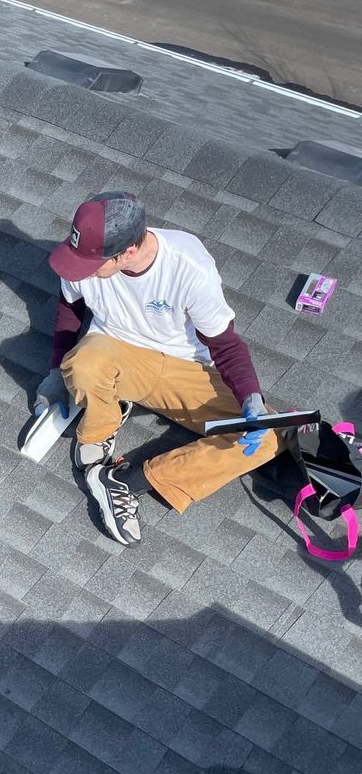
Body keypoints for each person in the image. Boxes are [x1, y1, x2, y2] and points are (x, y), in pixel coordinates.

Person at [35, 192, 279, 546]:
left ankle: (122, 481)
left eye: (92, 266)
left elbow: (225, 345)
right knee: (85, 360)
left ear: (128, 253)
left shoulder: (188, 267)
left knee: (268, 437)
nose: (80, 271)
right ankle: (100, 424)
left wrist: (251, 398)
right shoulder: (84, 253)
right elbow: (69, 308)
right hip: (112, 355)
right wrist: (58, 370)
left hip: (183, 368)